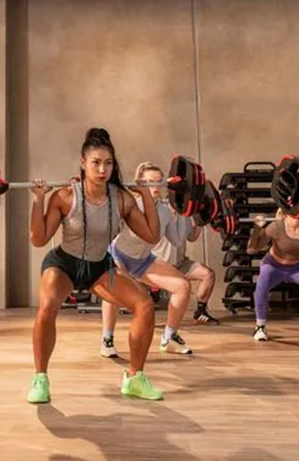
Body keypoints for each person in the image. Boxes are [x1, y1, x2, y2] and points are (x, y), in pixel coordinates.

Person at [27, 128, 164, 404]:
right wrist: (38, 200)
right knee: (47, 307)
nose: (103, 169)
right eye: (96, 162)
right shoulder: (65, 197)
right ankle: (40, 378)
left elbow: (152, 235)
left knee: (144, 305)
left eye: (108, 163)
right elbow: (38, 239)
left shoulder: (122, 199)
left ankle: (134, 378)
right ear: (83, 163)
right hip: (64, 265)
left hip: (100, 267)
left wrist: (146, 197)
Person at [100, 161, 195, 357]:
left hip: (143, 260)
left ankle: (169, 338)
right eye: (150, 182)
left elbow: (177, 240)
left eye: (159, 182)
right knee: (114, 291)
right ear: (140, 184)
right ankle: (107, 340)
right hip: (119, 255)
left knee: (182, 286)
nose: (156, 186)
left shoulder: (165, 210)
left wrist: (182, 209)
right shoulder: (130, 204)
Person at [246, 208, 299, 341]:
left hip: (297, 268)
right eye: (294, 214)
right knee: (262, 282)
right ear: (285, 215)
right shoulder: (276, 227)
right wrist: (257, 228)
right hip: (273, 266)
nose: (297, 218)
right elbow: (251, 250)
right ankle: (260, 326)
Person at [153, 197, 218, 325]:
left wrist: (200, 221)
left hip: (179, 263)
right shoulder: (160, 211)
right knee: (179, 286)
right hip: (158, 265)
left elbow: (192, 237)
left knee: (208, 275)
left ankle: (200, 313)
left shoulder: (184, 216)